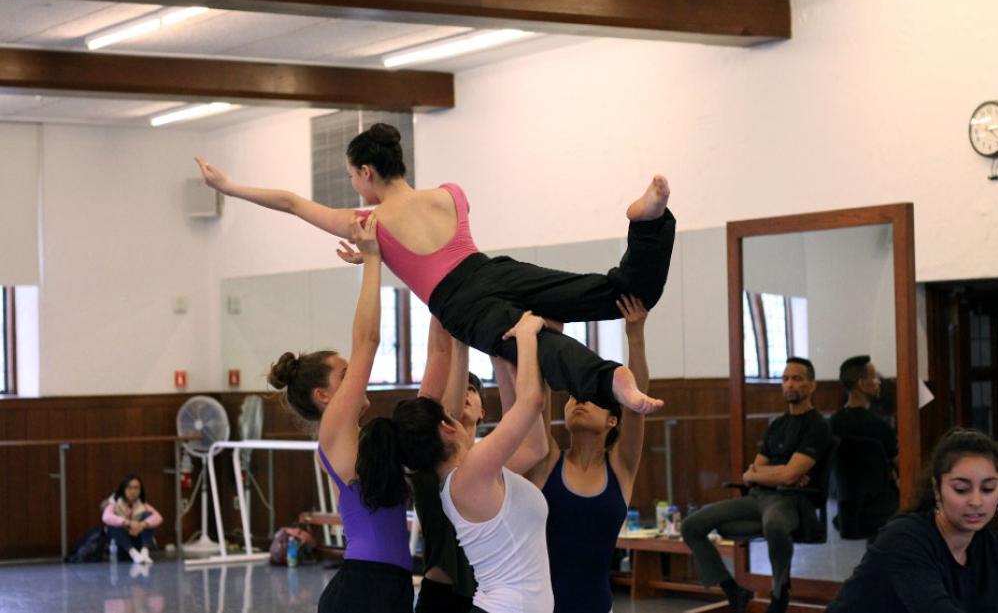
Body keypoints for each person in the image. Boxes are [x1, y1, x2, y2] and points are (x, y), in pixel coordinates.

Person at [195, 123, 675, 416]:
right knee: (618, 294)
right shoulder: (450, 193)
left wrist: (229, 186)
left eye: (351, 177)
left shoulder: (371, 223)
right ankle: (647, 223)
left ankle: (612, 380)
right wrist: (374, 254)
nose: (352, 185)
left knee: (538, 344)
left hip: (460, 302)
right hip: (492, 270)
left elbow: (292, 203)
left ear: (366, 173)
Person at [267, 214, 414, 613]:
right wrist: (371, 261)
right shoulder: (334, 428)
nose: (357, 381)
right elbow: (368, 339)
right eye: (345, 376)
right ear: (323, 395)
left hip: (386, 584)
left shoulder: (358, 439)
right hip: (365, 588)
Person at [387, 310, 552, 613]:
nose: (462, 397)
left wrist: (502, 359)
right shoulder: (471, 473)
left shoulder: (476, 472)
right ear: (448, 427)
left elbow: (535, 445)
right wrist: (526, 338)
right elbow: (532, 403)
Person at [521, 294, 650, 613]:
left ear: (612, 419)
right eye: (574, 396)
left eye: (591, 398)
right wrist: (551, 341)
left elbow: (637, 405)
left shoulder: (621, 466)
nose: (579, 401)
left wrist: (635, 336)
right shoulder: (546, 460)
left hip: (596, 605)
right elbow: (536, 399)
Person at [680, 357, 833, 613]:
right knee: (691, 525)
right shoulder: (777, 425)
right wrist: (774, 473)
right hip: (757, 498)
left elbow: (787, 477)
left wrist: (770, 473)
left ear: (812, 385)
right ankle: (733, 589)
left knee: (774, 524)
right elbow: (751, 473)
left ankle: (779, 592)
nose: (789, 384)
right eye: (785, 379)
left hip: (791, 499)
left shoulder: (817, 425)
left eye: (797, 378)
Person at [827, 427, 998, 613]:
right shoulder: (905, 538)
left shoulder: (989, 544)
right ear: (937, 489)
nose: (976, 501)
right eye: (961, 489)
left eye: (988, 488)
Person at [411, 331, 483, 613]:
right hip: (440, 597)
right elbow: (446, 410)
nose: (465, 391)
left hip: (487, 592)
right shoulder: (428, 455)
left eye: (472, 389)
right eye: (460, 386)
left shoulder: (493, 460)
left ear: (482, 412)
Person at [830, 355, 899, 539]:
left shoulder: (832, 424)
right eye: (874, 377)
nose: (878, 382)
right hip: (882, 508)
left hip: (846, 510)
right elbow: (898, 462)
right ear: (862, 384)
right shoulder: (879, 426)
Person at [102, 474, 163, 564]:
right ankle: (133, 553)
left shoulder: (142, 504)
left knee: (148, 516)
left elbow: (158, 517)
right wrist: (129, 523)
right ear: (123, 489)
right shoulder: (114, 502)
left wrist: (142, 525)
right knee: (113, 525)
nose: (133, 491)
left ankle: (144, 552)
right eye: (129, 488)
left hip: (136, 536)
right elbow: (106, 517)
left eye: (136, 488)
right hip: (121, 541)